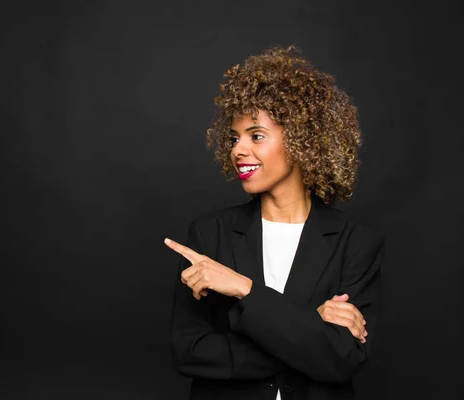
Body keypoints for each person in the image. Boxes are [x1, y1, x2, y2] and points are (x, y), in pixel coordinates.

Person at [164, 45, 385, 400]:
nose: (238, 149)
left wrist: (244, 289)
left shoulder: (355, 242)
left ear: (302, 141)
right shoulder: (210, 234)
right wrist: (308, 331)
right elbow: (191, 352)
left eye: (256, 135)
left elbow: (342, 359)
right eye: (234, 138)